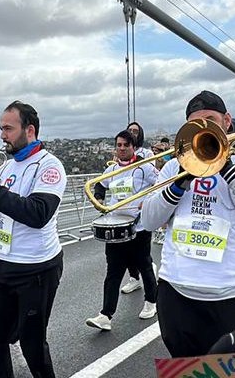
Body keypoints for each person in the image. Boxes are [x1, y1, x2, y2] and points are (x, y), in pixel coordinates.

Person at [140, 90, 235, 358]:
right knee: (184, 369)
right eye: (196, 122)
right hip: (175, 290)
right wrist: (180, 182)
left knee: (230, 370)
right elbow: (148, 220)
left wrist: (226, 167)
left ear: (226, 121)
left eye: (211, 120)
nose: (204, 127)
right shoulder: (173, 169)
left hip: (230, 293)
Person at [0, 100, 65, 378]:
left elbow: (37, 213)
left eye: (8, 129)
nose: (2, 135)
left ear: (29, 130)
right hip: (4, 265)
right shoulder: (7, 167)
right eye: (1, 129)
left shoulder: (49, 166)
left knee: (33, 345)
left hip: (37, 269)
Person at [85, 130, 159, 331]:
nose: (122, 148)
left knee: (144, 265)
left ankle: (151, 301)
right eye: (119, 145)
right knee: (113, 272)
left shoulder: (145, 168)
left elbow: (160, 185)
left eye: (126, 145)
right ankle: (105, 315)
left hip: (139, 226)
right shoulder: (111, 171)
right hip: (116, 228)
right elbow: (100, 186)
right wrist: (99, 200)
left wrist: (150, 203)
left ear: (134, 147)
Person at [120, 121, 155, 293]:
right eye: (130, 130)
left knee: (141, 253)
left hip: (140, 208)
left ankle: (150, 295)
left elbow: (153, 178)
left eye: (135, 131)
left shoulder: (146, 153)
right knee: (125, 252)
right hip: (123, 208)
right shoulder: (122, 150)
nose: (132, 132)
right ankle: (133, 277)